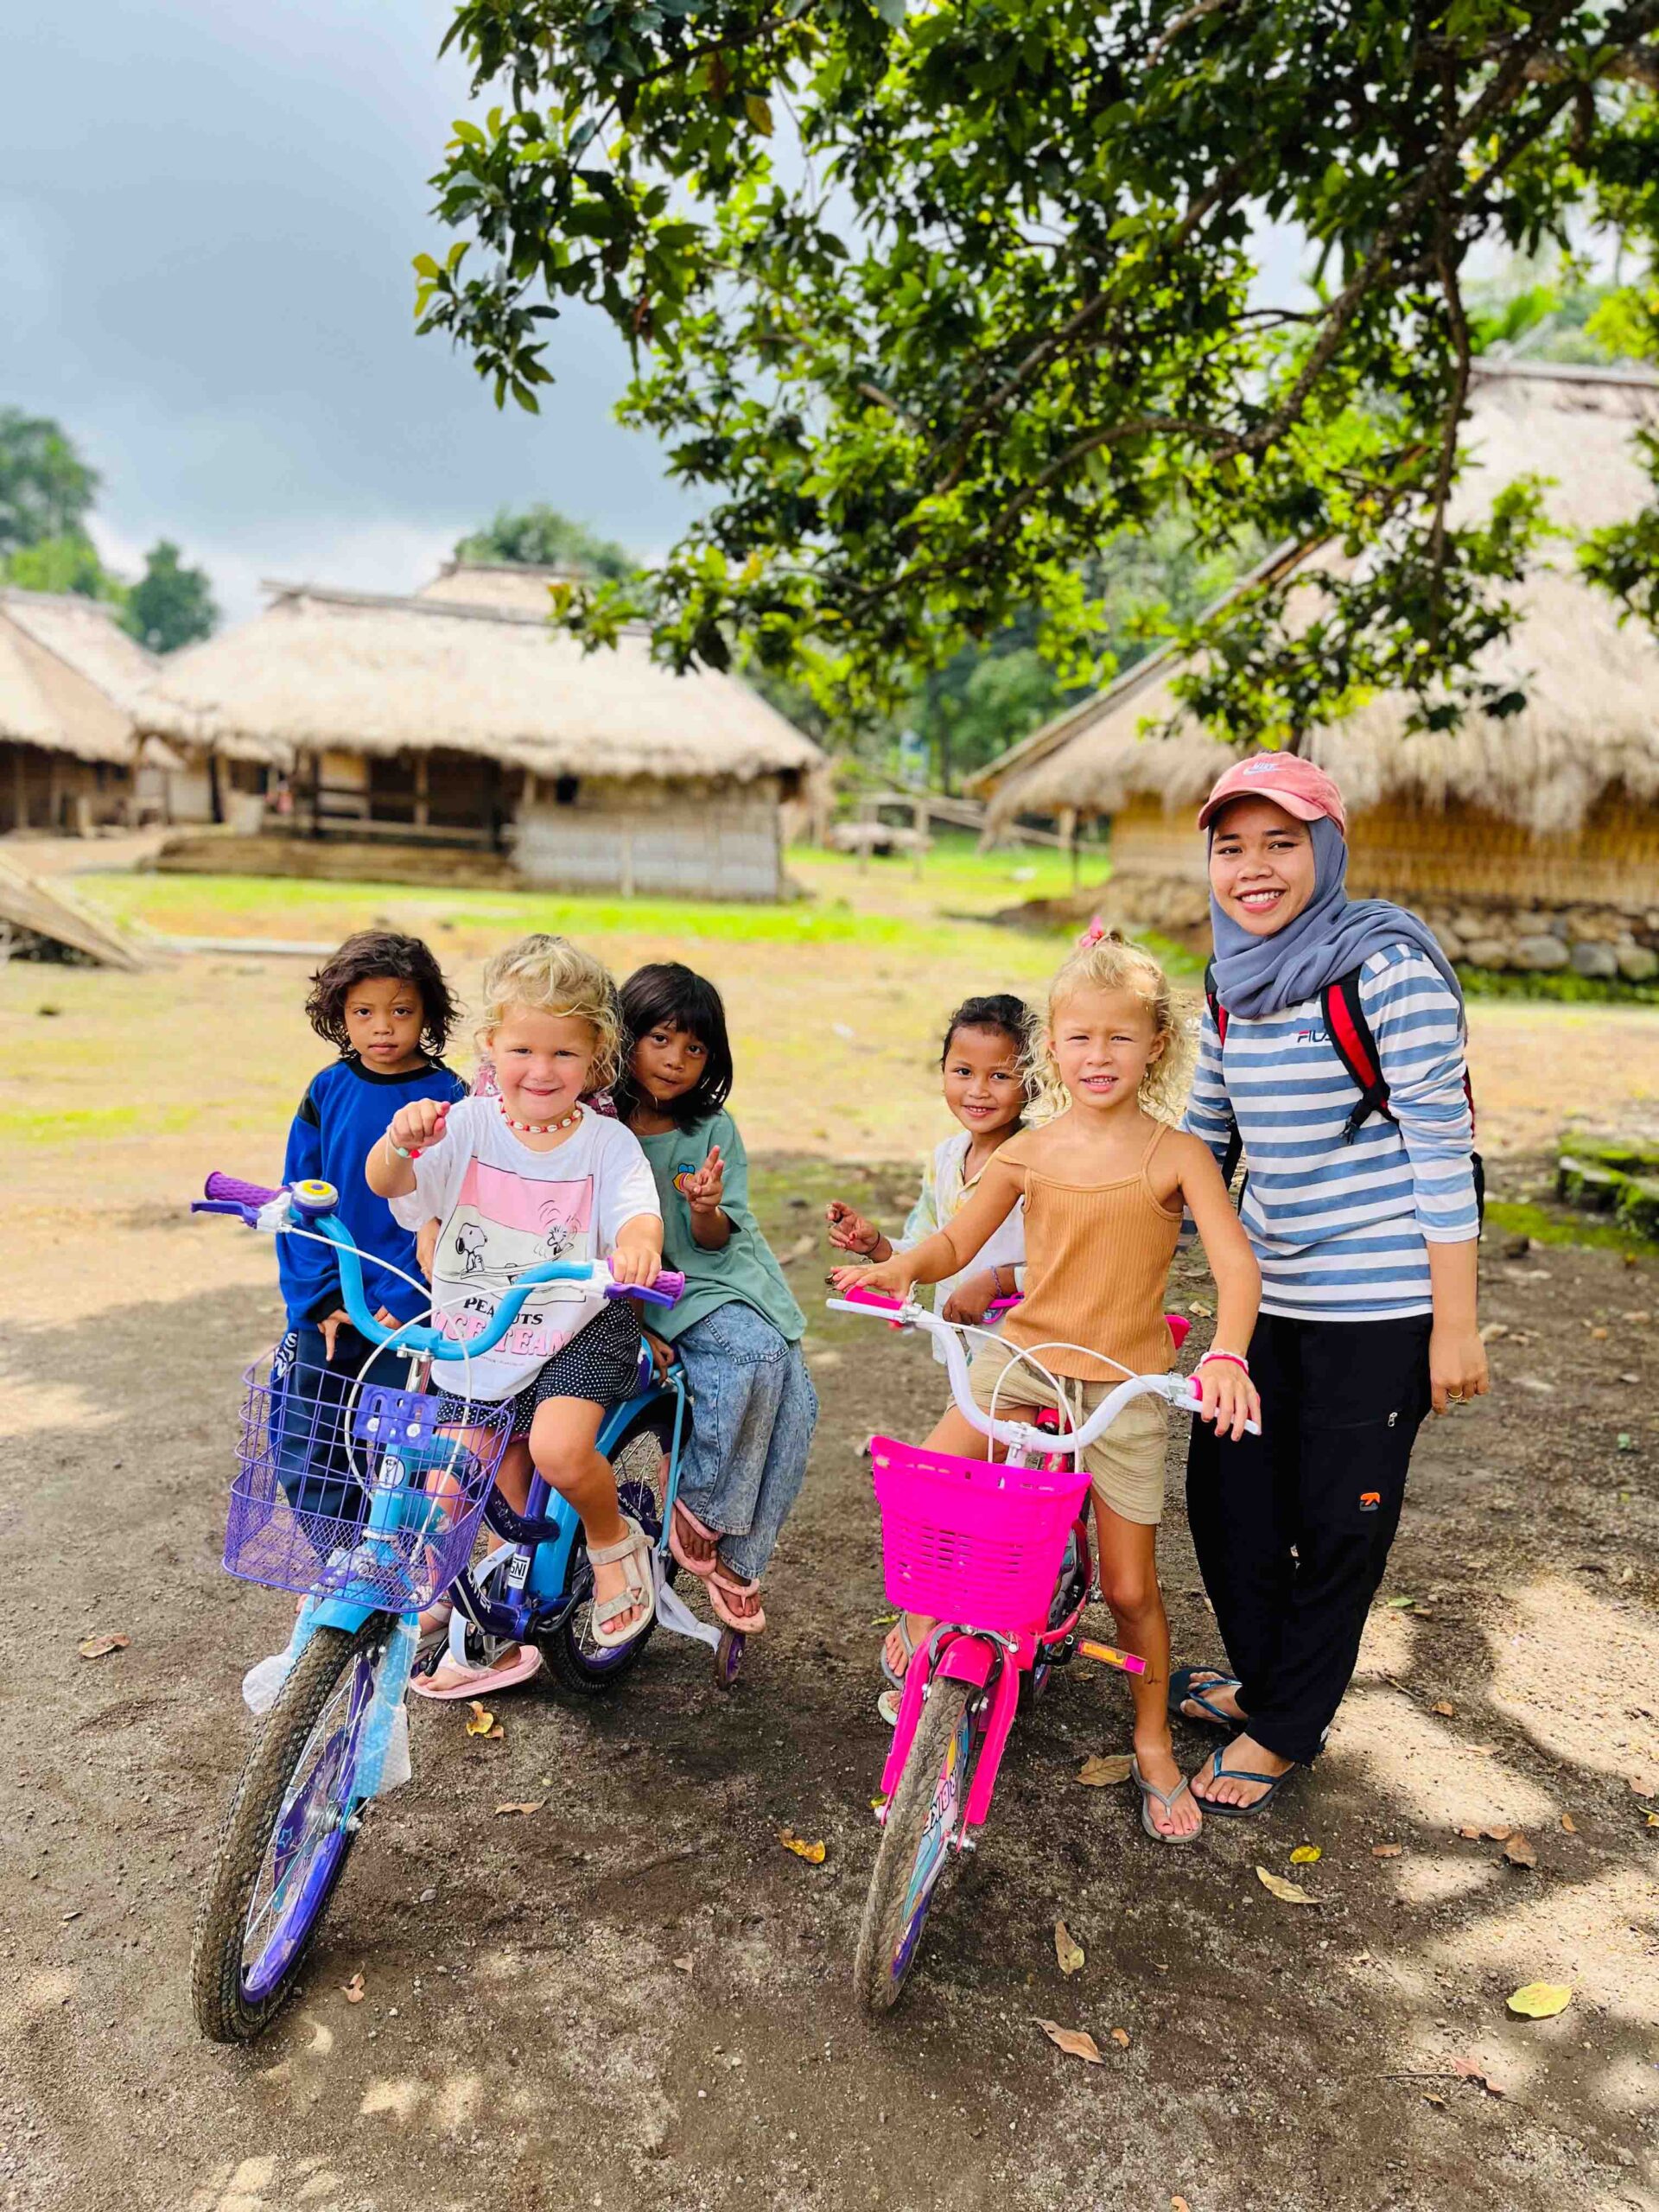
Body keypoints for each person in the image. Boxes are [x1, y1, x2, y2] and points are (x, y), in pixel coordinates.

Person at [835, 927, 1261, 1843]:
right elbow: (954, 1243)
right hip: (1021, 1360)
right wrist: (899, 1266)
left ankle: (1151, 1740)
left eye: (1120, 1036)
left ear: (1158, 1045)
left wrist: (1225, 1353)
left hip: (1123, 1385)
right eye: (1078, 1036)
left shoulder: (1178, 1155)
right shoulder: (1028, 1150)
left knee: (1130, 1587)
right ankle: (937, 1625)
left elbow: (1236, 1269)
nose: (1097, 1055)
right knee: (929, 1482)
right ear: (1051, 1050)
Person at [1176, 753, 1487, 1816]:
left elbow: (1445, 1150)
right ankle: (1271, 1687)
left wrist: (1457, 1326)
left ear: (1328, 848)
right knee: (1225, 1503)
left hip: (1381, 1304)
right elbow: (1203, 1138)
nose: (1252, 869)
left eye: (1279, 843)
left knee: (1340, 1520)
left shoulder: (1386, 968)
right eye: (1231, 847)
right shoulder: (1227, 982)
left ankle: (1287, 1727)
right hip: (1264, 1297)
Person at [366, 934, 664, 1697]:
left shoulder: (607, 1143)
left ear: (596, 1059)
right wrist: (398, 1145)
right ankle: (468, 1602)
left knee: (562, 1451)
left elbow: (638, 1216)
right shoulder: (462, 1124)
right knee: (460, 1477)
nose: (541, 1070)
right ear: (490, 1046)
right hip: (484, 1326)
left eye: (565, 1054)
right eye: (523, 1048)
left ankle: (612, 1543)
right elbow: (393, 1187)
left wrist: (636, 1247)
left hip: (581, 1322)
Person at [613, 962, 818, 1635]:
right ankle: (698, 1501)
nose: (676, 1061)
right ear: (626, 1036)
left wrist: (703, 1204)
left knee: (801, 1396)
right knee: (756, 1358)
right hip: (661, 1286)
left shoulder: (712, 1126)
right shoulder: (600, 1124)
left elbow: (716, 1234)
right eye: (661, 1039)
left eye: (695, 1048)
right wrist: (629, 1324)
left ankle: (740, 1559)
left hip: (725, 1270)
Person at [275, 931, 467, 1518]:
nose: (383, 1027)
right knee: (310, 1448)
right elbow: (299, 1200)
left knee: (397, 1451)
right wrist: (321, 1298)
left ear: (428, 1013)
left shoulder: (450, 1097)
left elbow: (454, 1210)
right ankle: (340, 1562)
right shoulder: (326, 1090)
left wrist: (402, 1293)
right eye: (364, 1012)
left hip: (404, 1309)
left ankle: (391, 1563)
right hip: (331, 1308)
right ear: (341, 1015)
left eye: (401, 1011)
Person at [825, 993, 1031, 1357]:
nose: (978, 1090)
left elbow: (1064, 1262)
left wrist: (997, 1283)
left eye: (1000, 1075)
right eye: (963, 1072)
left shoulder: (1040, 1161)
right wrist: (878, 1246)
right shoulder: (945, 1158)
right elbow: (927, 1247)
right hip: (959, 1347)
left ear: (1033, 1083)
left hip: (1025, 1352)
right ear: (943, 1073)